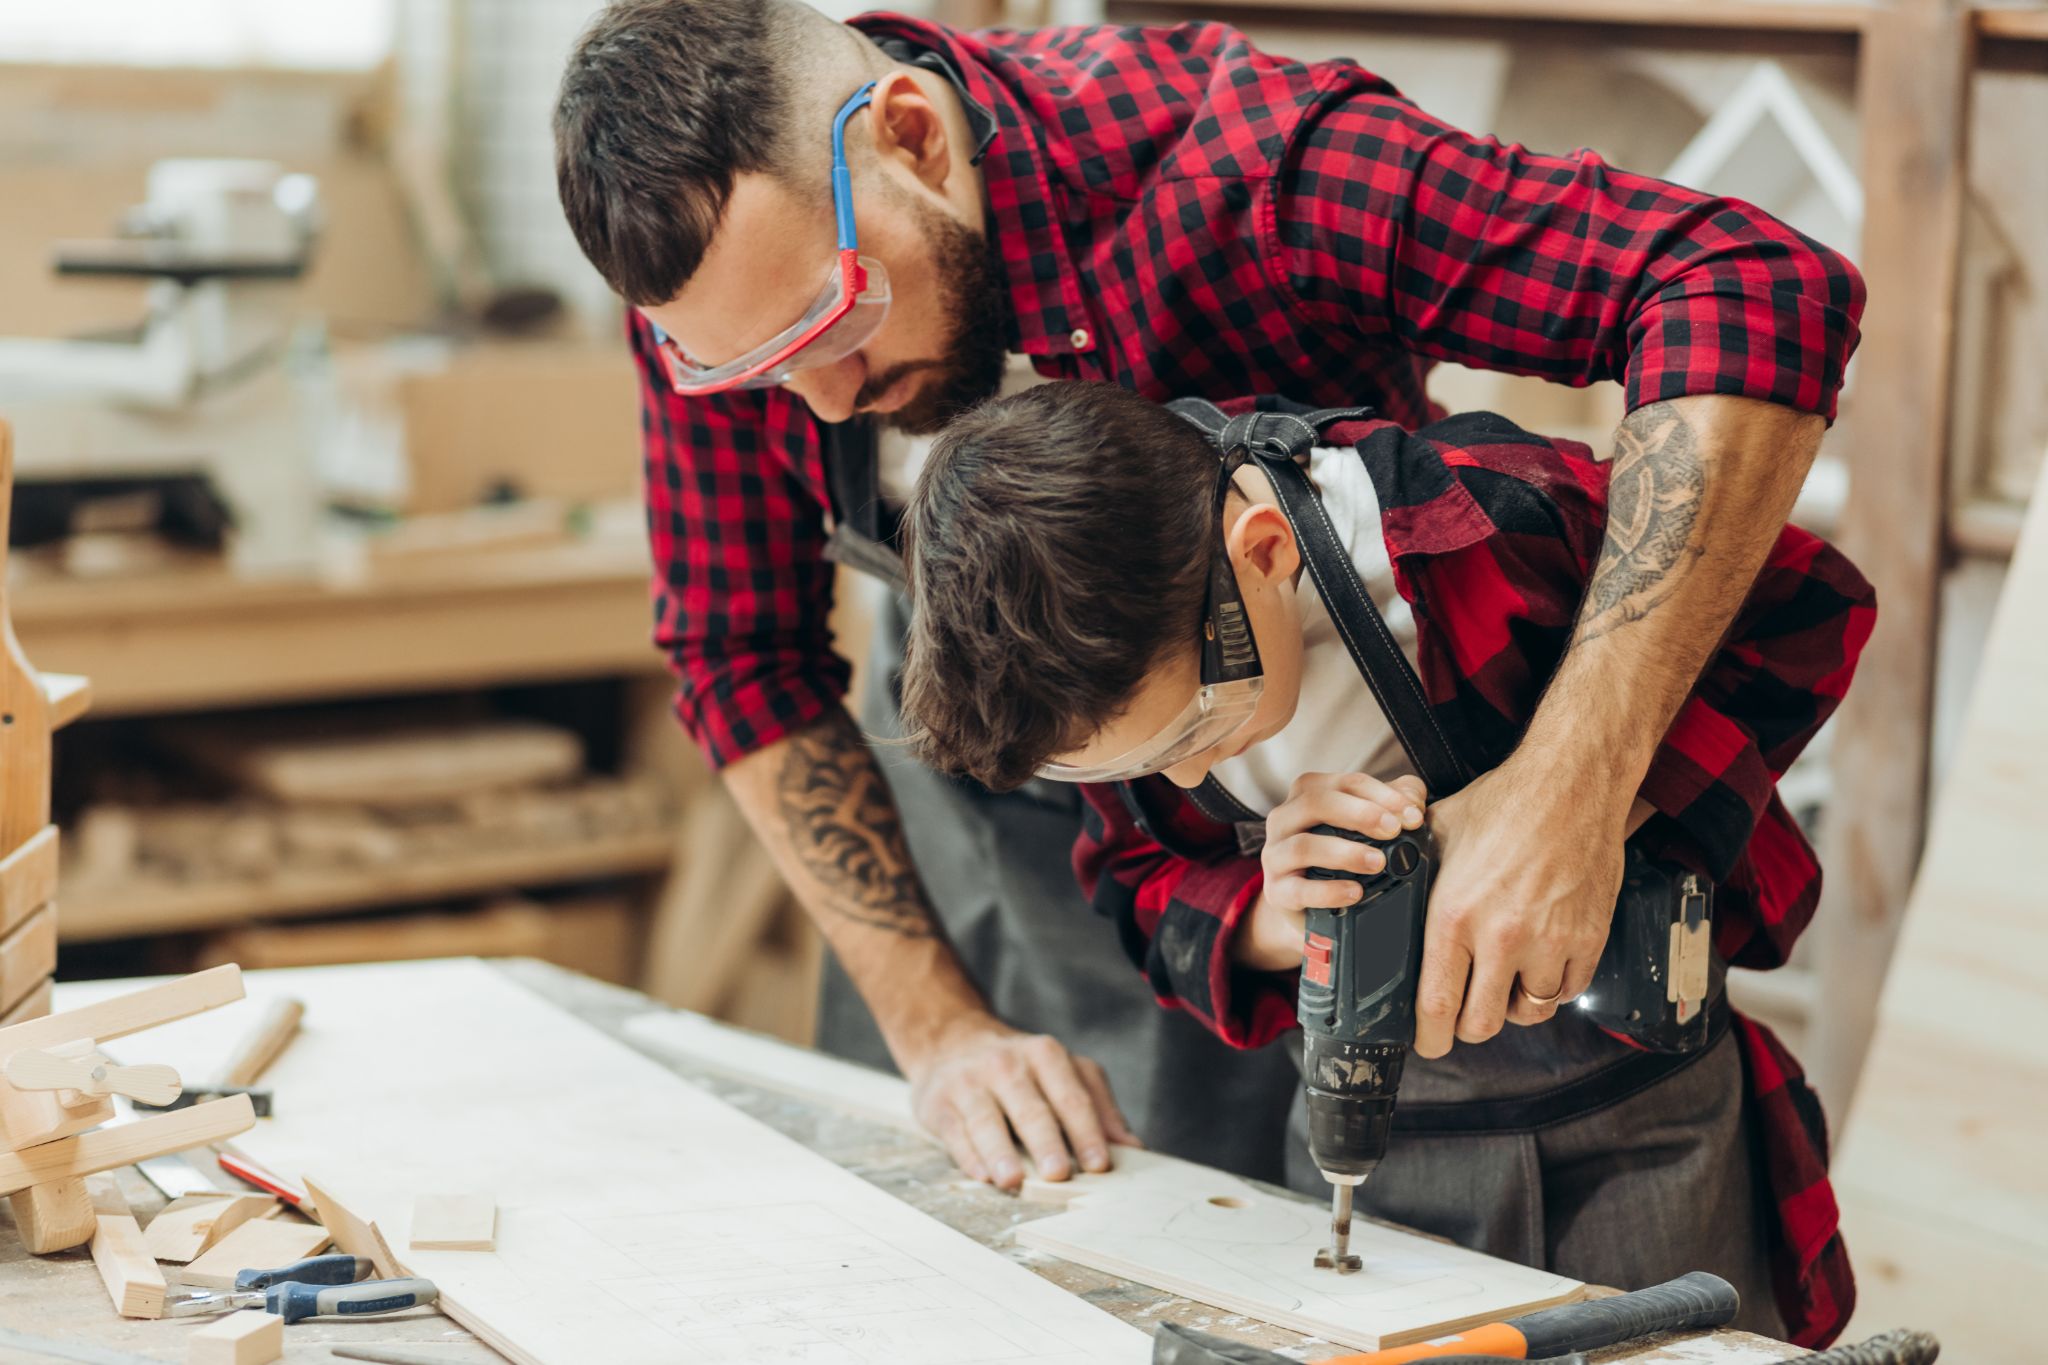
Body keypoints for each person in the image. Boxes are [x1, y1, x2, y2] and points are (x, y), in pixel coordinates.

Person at [550, 0, 1863, 1206]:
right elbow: (743, 654)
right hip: (994, 864)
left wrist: (1565, 794)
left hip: (1271, 824)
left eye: (840, 324)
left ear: (910, 138)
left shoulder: (1257, 169)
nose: (826, 403)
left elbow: (1747, 285)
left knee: (1232, 1251)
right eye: (761, 372)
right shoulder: (732, 295)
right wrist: (938, 1029)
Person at [896, 381, 1875, 1343]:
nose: (1187, 772)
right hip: (1373, 1137)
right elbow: (1135, 885)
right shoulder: (1098, 672)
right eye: (1141, 764)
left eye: (1197, 727)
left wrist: (1568, 806)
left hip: (1638, 1117)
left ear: (1265, 553)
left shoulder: (1484, 523)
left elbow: (1805, 612)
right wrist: (1272, 914)